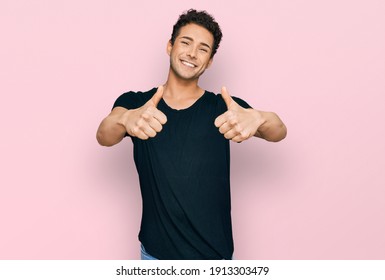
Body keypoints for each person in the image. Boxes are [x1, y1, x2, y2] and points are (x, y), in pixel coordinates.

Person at [96, 9, 287, 260]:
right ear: (170, 46)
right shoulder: (138, 104)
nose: (192, 53)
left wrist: (260, 117)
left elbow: (278, 130)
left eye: (203, 48)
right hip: (153, 257)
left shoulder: (224, 108)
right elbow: (104, 135)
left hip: (213, 258)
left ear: (209, 62)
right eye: (186, 42)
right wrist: (125, 118)